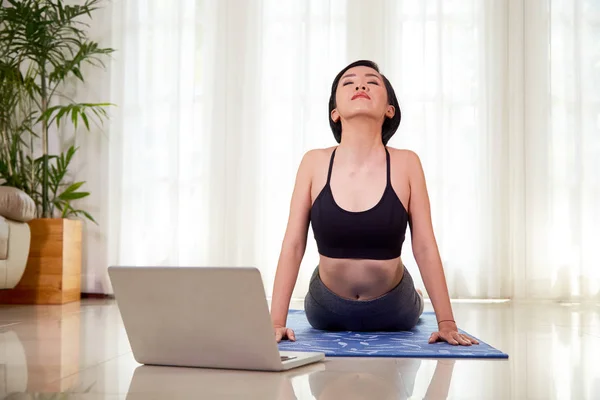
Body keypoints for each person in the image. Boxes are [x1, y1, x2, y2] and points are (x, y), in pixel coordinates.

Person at [270, 60, 478, 347]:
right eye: (348, 82)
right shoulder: (314, 162)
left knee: (411, 298)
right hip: (325, 308)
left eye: (372, 81)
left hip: (395, 308)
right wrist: (275, 323)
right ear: (335, 113)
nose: (360, 85)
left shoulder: (407, 162)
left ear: (389, 109)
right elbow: (293, 244)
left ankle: (414, 293)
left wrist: (447, 323)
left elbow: (425, 245)